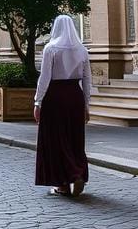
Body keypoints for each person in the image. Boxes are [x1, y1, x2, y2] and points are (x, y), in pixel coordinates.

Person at [33, 14, 92, 197]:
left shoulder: (51, 49)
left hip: (55, 97)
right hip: (75, 96)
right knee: (74, 139)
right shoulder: (82, 50)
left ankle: (64, 182)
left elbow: (45, 77)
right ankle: (77, 174)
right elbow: (87, 79)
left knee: (56, 139)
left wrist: (38, 101)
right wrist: (86, 105)